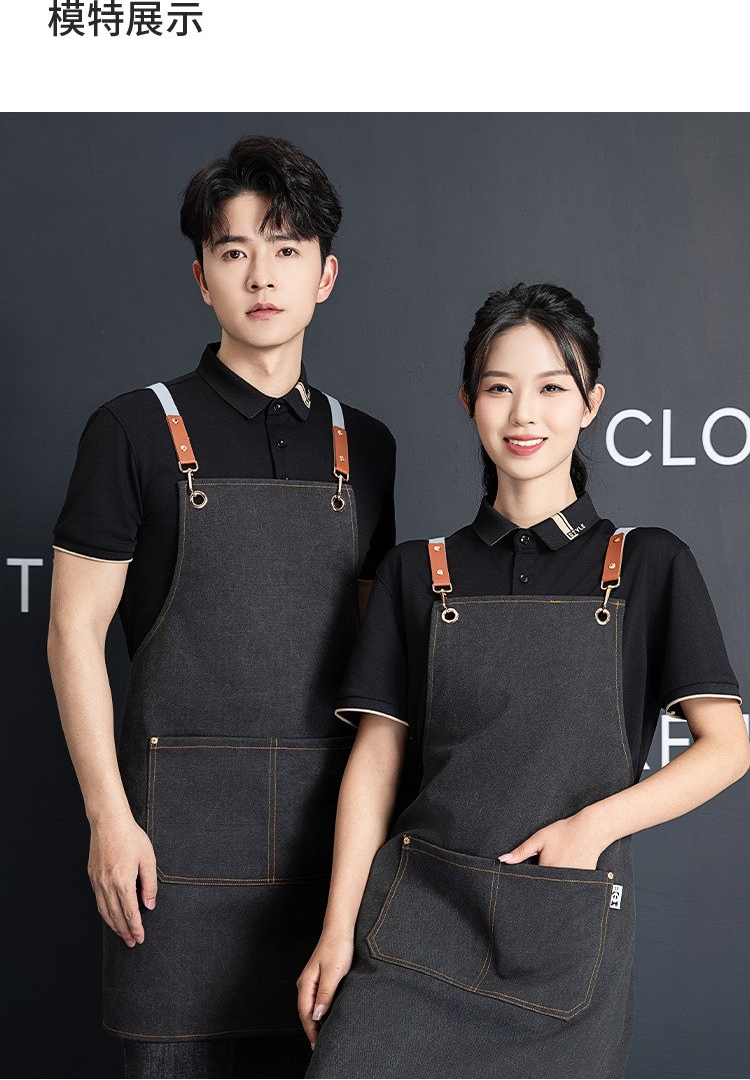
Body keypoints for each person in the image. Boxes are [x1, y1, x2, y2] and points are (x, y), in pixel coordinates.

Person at [298, 282, 748, 1079]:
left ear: (592, 404)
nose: (523, 414)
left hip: (560, 936)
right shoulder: (416, 572)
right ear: (468, 400)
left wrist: (592, 828)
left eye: (552, 388)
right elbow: (375, 759)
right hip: (415, 921)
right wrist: (337, 931)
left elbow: (727, 746)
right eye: (500, 387)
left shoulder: (648, 564)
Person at [47, 135, 396, 1080]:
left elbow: (376, 678)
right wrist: (108, 817)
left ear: (326, 275)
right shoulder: (131, 429)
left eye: (286, 249)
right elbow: (73, 630)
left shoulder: (366, 447)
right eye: (235, 250)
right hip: (169, 861)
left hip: (326, 867)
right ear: (202, 276)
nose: (261, 275)